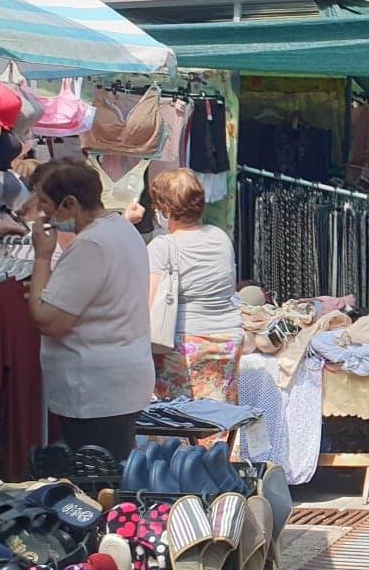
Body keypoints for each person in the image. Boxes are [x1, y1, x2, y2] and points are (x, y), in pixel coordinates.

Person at [26, 160, 154, 459]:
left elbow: (48, 320)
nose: (42, 211)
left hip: (95, 389)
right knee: (112, 475)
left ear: (69, 203)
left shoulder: (91, 244)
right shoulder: (122, 229)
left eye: (45, 202)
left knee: (96, 481)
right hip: (119, 380)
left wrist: (42, 258)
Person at [146, 168, 244, 401]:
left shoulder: (162, 247)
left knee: (179, 423)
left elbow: (148, 303)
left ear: (166, 209)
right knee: (217, 416)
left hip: (183, 344)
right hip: (227, 339)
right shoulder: (221, 237)